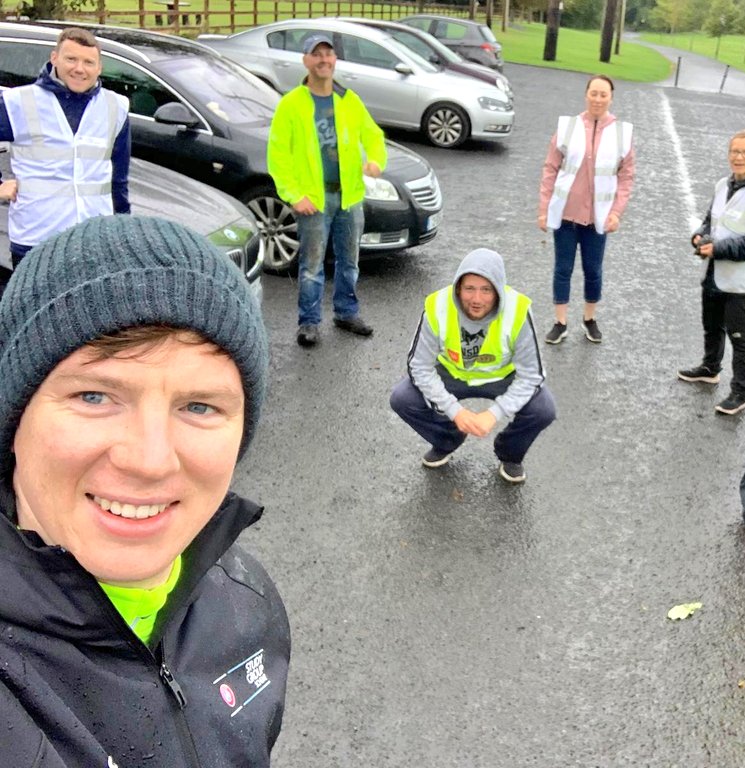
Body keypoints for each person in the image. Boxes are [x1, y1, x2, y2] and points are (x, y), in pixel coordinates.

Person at [0, 215, 290, 764]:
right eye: (94, 396)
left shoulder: (246, 599)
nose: (150, 460)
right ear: (14, 420)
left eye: (199, 406)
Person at [390, 248, 557, 484]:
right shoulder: (437, 306)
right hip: (452, 373)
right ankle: (448, 439)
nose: (476, 299)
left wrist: (494, 414)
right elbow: (419, 367)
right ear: (458, 287)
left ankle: (510, 454)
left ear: (498, 291)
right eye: (469, 288)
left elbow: (532, 376)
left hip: (501, 377)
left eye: (486, 290)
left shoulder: (518, 310)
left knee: (544, 409)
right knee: (402, 398)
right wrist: (455, 412)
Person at [268, 33, 387, 347]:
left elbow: (373, 135)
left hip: (349, 197)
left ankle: (346, 312)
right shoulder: (291, 104)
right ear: (306, 61)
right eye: (316, 54)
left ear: (335, 60)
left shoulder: (348, 99)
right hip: (314, 200)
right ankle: (309, 322)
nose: (324, 60)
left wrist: (376, 160)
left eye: (328, 54)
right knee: (312, 265)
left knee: (350, 261)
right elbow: (277, 157)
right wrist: (295, 195)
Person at [0, 27, 130, 297]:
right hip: (36, 240)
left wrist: (123, 231)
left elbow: (118, 179)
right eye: (71, 59)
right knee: (34, 320)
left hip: (94, 242)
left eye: (88, 62)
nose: (79, 69)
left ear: (99, 67)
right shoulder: (18, 102)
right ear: (55, 58)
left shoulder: (115, 107)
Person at [677, 130, 745, 416]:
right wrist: (700, 236)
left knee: (739, 334)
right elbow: (710, 220)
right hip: (713, 270)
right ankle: (710, 368)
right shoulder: (723, 184)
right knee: (711, 324)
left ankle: (741, 391)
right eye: (734, 151)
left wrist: (718, 248)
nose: (738, 157)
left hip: (741, 280)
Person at [537, 74, 635, 345]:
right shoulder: (568, 127)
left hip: (598, 218)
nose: (598, 99)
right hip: (566, 215)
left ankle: (589, 319)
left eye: (603, 94)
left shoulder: (621, 133)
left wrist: (616, 212)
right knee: (562, 268)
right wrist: (544, 208)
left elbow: (626, 176)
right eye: (594, 93)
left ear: (611, 98)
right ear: (586, 94)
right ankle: (560, 322)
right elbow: (550, 168)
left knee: (594, 270)